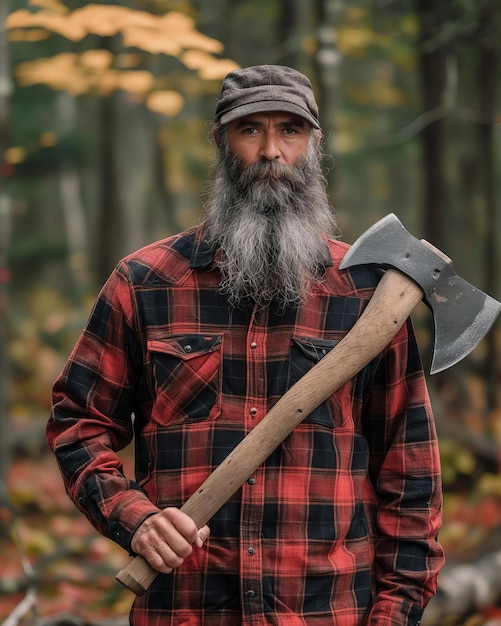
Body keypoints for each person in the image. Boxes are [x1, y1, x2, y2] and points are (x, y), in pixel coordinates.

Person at [47, 65, 445, 626]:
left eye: (290, 130)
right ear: (221, 143)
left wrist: (394, 613)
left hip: (327, 612)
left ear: (314, 145)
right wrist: (133, 516)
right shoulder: (145, 283)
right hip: (184, 611)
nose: (271, 152)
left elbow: (411, 477)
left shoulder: (368, 295)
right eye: (250, 130)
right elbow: (78, 423)